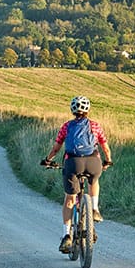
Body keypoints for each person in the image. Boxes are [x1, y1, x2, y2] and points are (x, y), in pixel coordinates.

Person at [40, 95, 112, 254]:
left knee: (69, 198)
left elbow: (56, 148)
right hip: (93, 162)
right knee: (94, 181)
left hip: (73, 163)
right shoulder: (95, 126)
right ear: (88, 110)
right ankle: (94, 209)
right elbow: (105, 148)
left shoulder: (66, 126)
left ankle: (66, 235)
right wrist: (108, 161)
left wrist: (48, 160)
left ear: (72, 110)